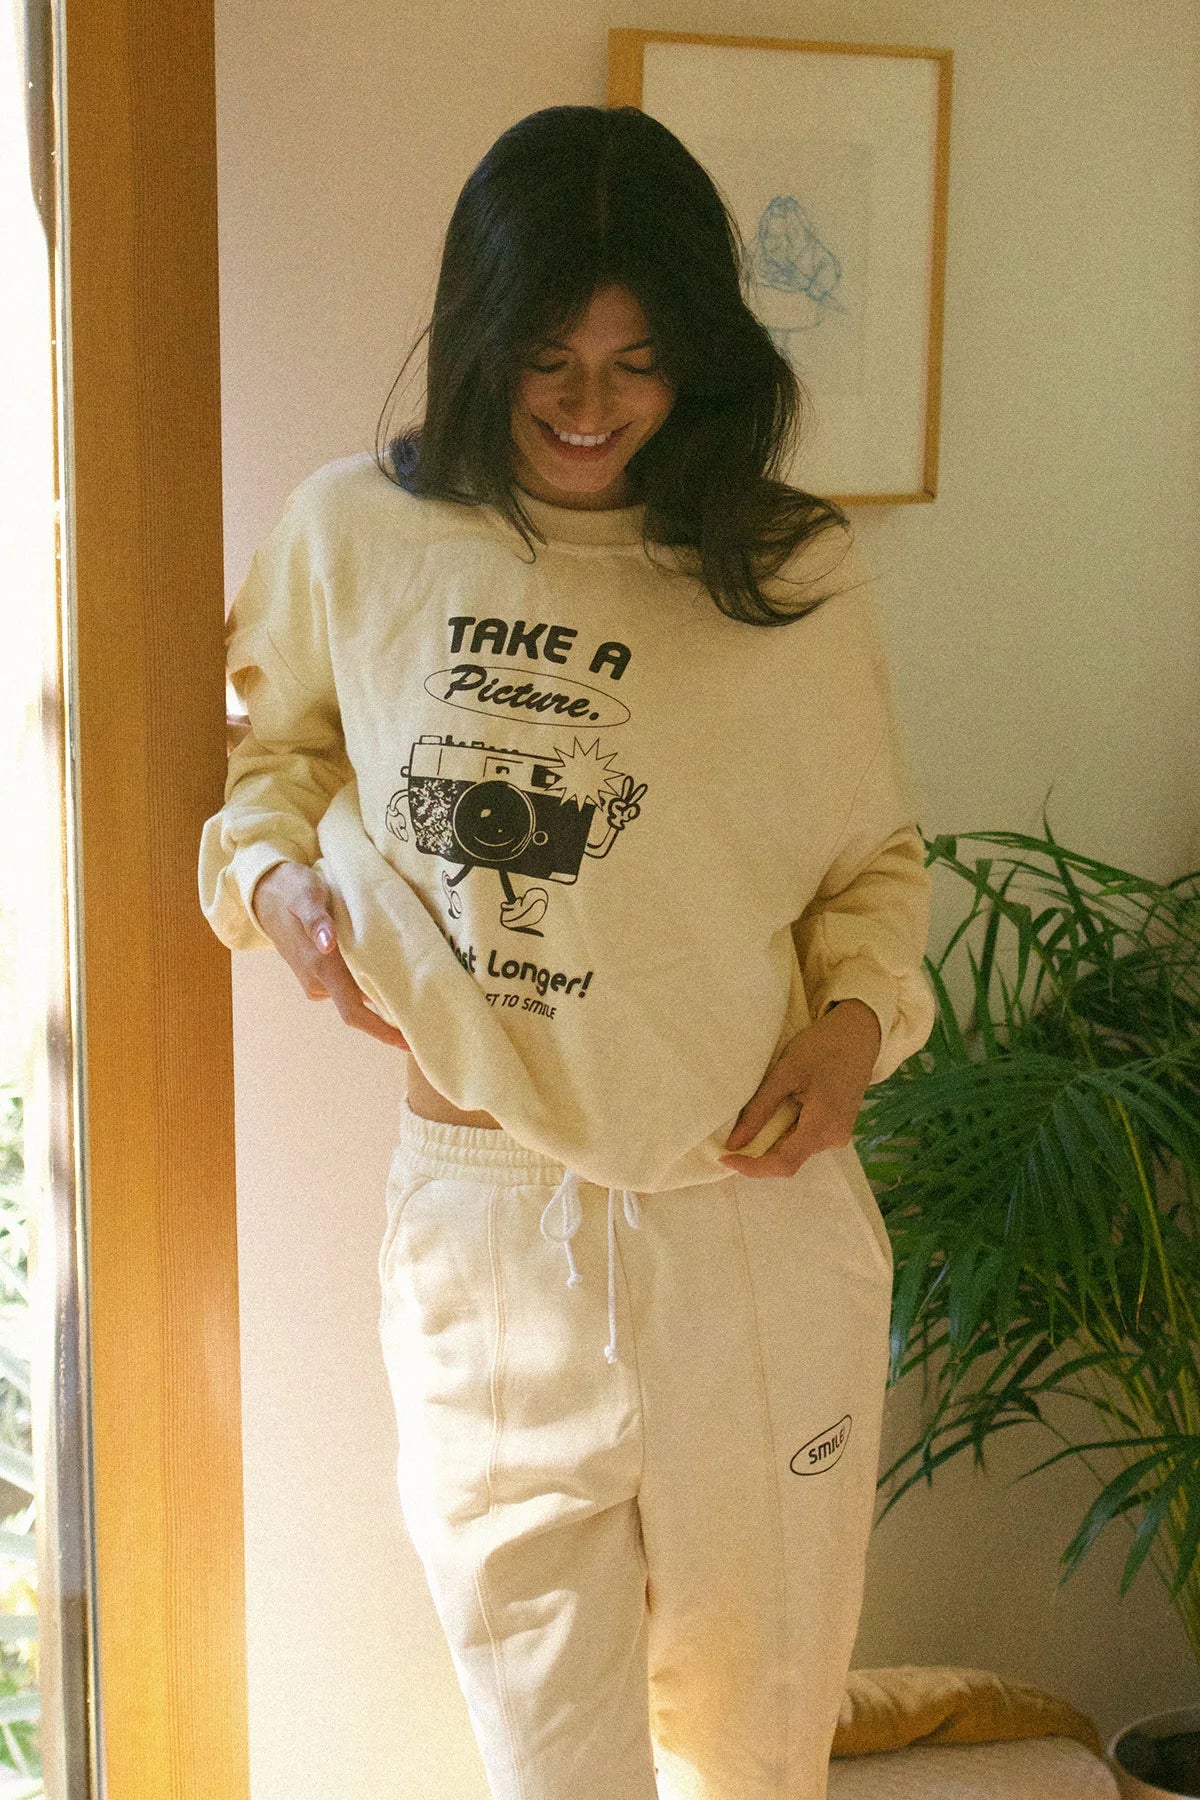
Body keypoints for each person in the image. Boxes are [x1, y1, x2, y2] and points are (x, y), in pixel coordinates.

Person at [198, 103, 936, 1800]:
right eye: (548, 358)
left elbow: (872, 866)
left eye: (638, 362)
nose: (590, 405)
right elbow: (269, 765)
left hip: (743, 1211)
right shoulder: (352, 534)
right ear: (479, 339)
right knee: (548, 1759)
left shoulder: (790, 571)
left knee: (755, 1748)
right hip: (482, 1216)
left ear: (701, 359)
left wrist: (852, 1029)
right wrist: (276, 890)